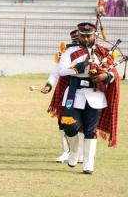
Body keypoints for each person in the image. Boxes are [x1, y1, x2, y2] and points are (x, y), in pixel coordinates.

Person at [51, 22, 120, 174]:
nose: (87, 39)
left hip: (95, 95)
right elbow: (61, 71)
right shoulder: (70, 52)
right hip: (74, 93)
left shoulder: (103, 52)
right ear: (79, 36)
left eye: (89, 36)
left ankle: (88, 164)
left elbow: (113, 74)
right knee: (70, 126)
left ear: (94, 36)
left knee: (91, 131)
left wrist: (104, 75)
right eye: (83, 36)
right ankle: (74, 151)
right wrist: (79, 67)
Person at [42, 30, 84, 164]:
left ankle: (81, 154)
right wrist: (48, 85)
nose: (77, 43)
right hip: (64, 91)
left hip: (84, 91)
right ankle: (66, 152)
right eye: (75, 40)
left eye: (80, 39)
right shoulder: (65, 53)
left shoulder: (92, 53)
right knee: (63, 121)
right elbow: (55, 73)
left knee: (83, 124)